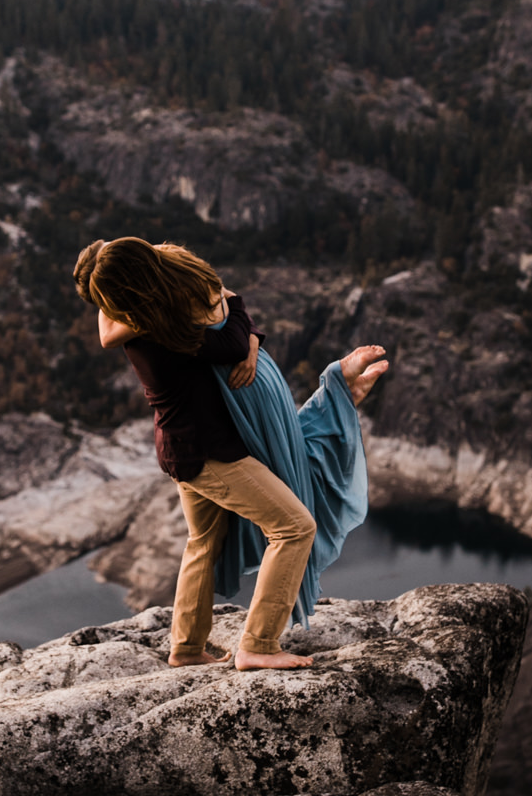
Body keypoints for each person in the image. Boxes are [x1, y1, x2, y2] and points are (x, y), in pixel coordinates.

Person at [73, 237, 387, 673]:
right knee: (294, 528)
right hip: (209, 454)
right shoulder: (170, 330)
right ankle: (258, 643)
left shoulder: (140, 321)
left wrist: (251, 338)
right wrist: (249, 336)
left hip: (180, 447)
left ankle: (185, 648)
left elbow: (234, 330)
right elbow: (232, 337)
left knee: (203, 542)